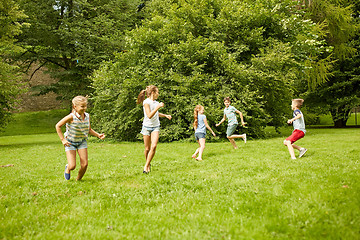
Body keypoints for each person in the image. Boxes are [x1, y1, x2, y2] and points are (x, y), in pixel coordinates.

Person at [55, 96, 105, 181]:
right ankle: (68, 168)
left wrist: (98, 135)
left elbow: (88, 130)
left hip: (82, 142)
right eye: (82, 106)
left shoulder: (87, 116)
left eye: (85, 106)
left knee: (84, 164)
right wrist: (63, 140)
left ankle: (78, 180)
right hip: (70, 142)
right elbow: (58, 126)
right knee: (72, 166)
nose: (85, 108)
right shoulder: (71, 117)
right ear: (75, 106)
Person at [137, 85, 172, 174]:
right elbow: (149, 115)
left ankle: (146, 166)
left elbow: (156, 113)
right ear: (153, 93)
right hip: (146, 127)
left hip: (155, 126)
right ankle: (148, 164)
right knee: (147, 148)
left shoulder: (156, 103)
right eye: (157, 92)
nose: (158, 94)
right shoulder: (146, 102)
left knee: (154, 146)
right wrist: (158, 107)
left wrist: (165, 115)